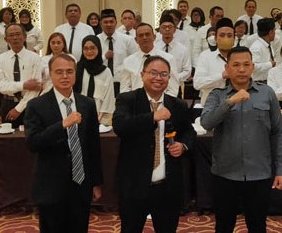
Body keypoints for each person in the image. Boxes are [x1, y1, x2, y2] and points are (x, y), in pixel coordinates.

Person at [201, 46, 282, 233]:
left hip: (259, 173)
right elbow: (206, 123)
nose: (241, 69)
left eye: (246, 64)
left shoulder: (267, 93)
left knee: (257, 226)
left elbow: (278, 134)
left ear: (253, 67)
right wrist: (230, 102)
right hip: (225, 174)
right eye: (236, 65)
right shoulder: (217, 95)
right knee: (223, 226)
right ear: (227, 68)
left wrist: (281, 170)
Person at [113, 55, 196, 233]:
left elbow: (190, 132)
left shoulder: (177, 104)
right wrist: (152, 116)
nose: (158, 78)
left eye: (163, 74)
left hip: (167, 185)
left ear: (169, 78)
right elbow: (120, 126)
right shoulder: (128, 99)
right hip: (135, 185)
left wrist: (183, 145)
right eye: (153, 73)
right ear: (142, 74)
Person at [24, 54, 102, 233]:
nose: (65, 76)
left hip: (81, 184)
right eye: (59, 72)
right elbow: (33, 143)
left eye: (69, 71)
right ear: (50, 74)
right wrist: (61, 125)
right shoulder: (36, 105)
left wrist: (96, 182)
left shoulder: (87, 104)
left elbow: (94, 147)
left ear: (75, 74)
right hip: (51, 186)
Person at [0, 23, 42, 128]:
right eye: (11, 35)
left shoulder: (35, 58)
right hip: (8, 103)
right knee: (9, 136)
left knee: (31, 135)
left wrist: (18, 109)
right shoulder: (0, 59)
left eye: (18, 34)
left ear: (24, 37)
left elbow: (36, 88)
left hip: (30, 104)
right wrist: (23, 85)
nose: (15, 38)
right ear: (6, 39)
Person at [121, 23, 178, 96]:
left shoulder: (168, 59)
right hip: (135, 102)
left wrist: (159, 102)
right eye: (141, 35)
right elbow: (125, 90)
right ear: (136, 40)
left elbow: (173, 90)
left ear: (154, 37)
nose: (144, 37)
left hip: (162, 102)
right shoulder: (128, 62)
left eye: (147, 34)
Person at [96, 8, 138, 98]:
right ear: (101, 23)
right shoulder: (96, 40)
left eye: (111, 22)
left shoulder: (127, 40)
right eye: (105, 22)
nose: (109, 24)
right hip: (101, 82)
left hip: (122, 83)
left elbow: (135, 60)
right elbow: (92, 62)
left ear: (116, 22)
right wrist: (104, 57)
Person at [74, 35, 114, 125]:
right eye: (86, 48)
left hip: (99, 118)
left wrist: (97, 119)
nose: (89, 51)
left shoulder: (106, 72)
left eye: (92, 48)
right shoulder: (77, 69)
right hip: (77, 116)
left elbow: (108, 97)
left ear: (98, 49)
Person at [193, 18, 234, 105]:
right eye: (222, 35)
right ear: (215, 38)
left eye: (229, 36)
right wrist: (221, 76)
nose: (226, 39)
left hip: (236, 106)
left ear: (234, 38)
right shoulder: (205, 56)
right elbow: (197, 83)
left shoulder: (240, 57)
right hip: (211, 106)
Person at [154, 14, 192, 87]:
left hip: (176, 86)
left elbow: (187, 71)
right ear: (160, 30)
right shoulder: (154, 48)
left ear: (174, 29)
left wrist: (172, 78)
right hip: (157, 85)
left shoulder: (183, 50)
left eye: (170, 27)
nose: (167, 29)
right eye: (164, 27)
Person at [249, 18, 278, 82]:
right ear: (270, 32)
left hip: (269, 80)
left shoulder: (268, 45)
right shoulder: (256, 47)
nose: (275, 33)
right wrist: (270, 64)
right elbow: (252, 66)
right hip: (259, 82)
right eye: (274, 30)